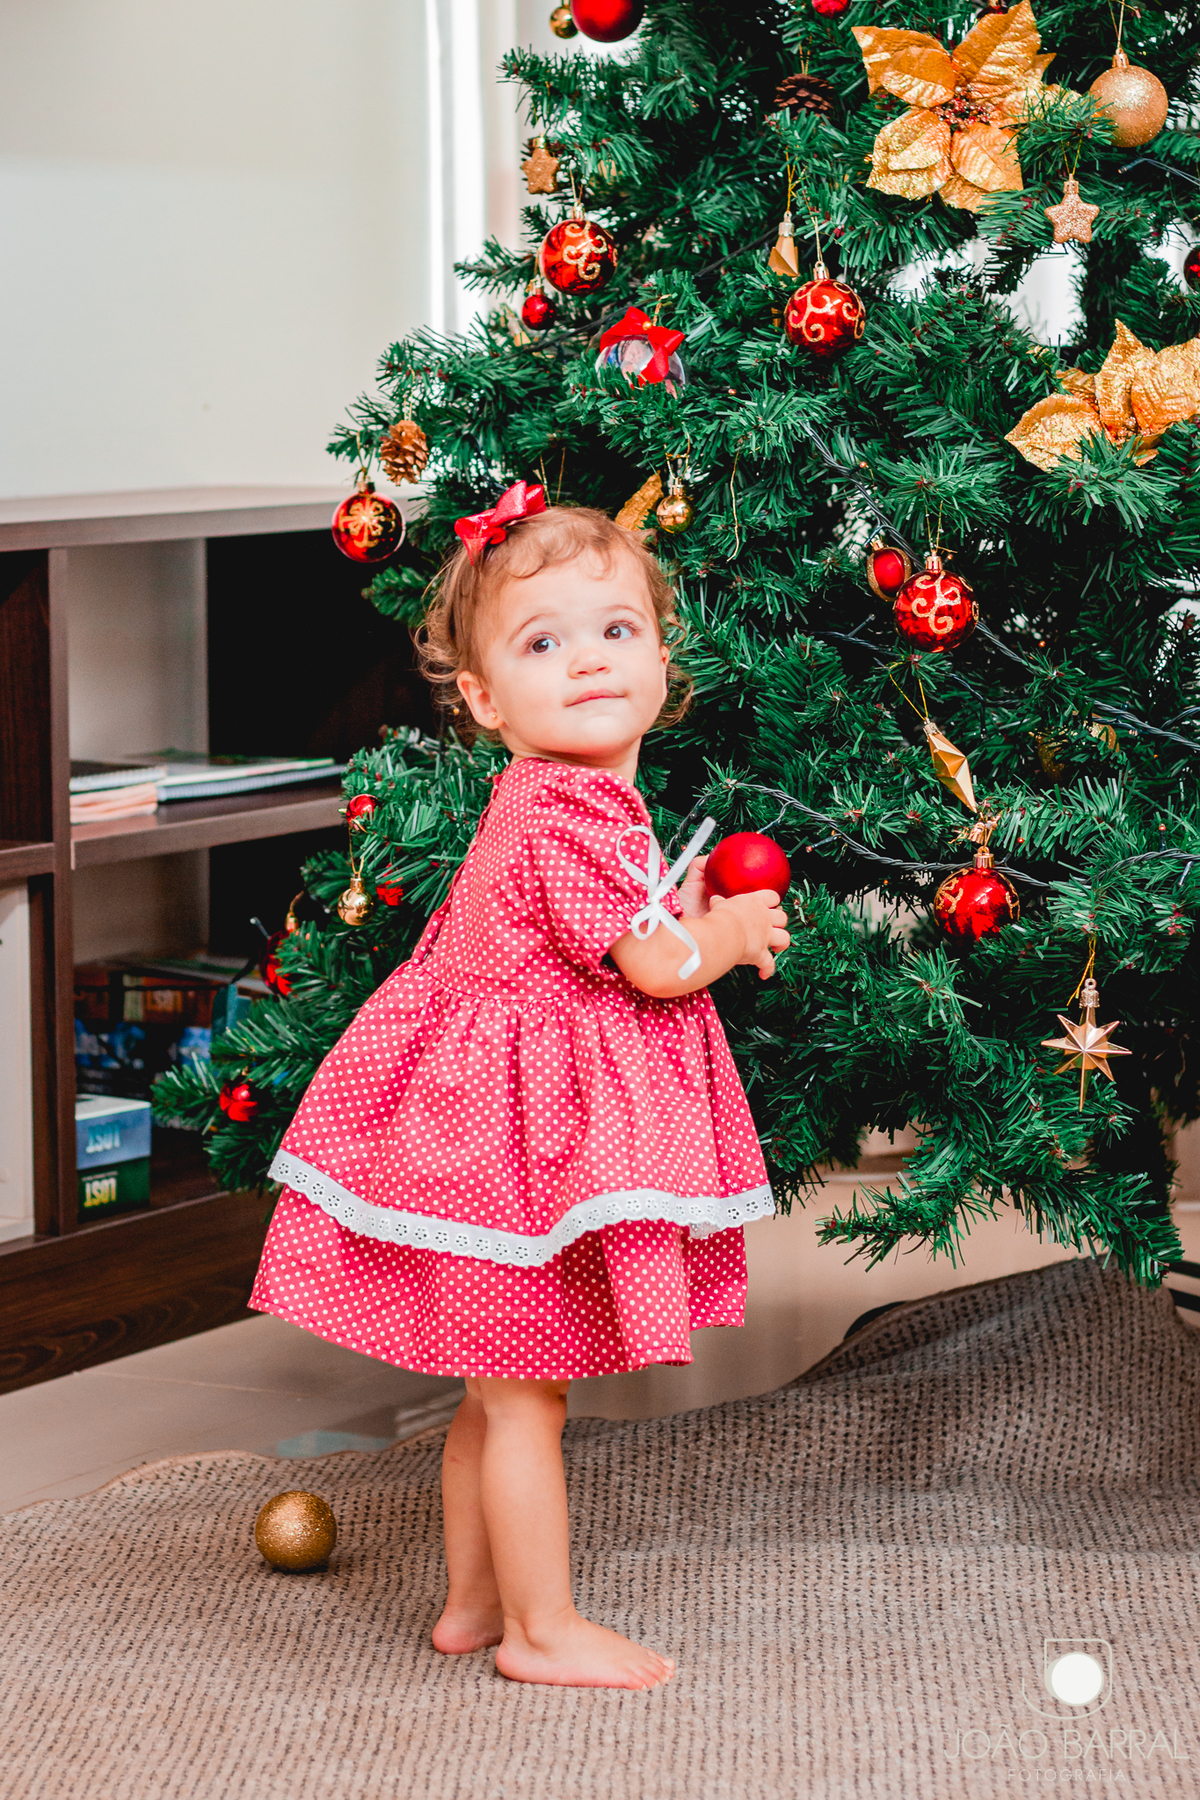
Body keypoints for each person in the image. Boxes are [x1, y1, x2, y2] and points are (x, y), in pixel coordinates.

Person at [250, 481, 789, 1689]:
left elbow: (628, 926)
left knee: (496, 1393)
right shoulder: (573, 815)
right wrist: (736, 933)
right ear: (488, 701)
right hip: (513, 1152)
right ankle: (541, 1631)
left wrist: (689, 906)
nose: (591, 662)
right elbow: (654, 966)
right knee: (526, 1402)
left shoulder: (563, 799)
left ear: (661, 657)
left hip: (479, 1136)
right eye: (544, 643)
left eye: (616, 630)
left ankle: (470, 1604)